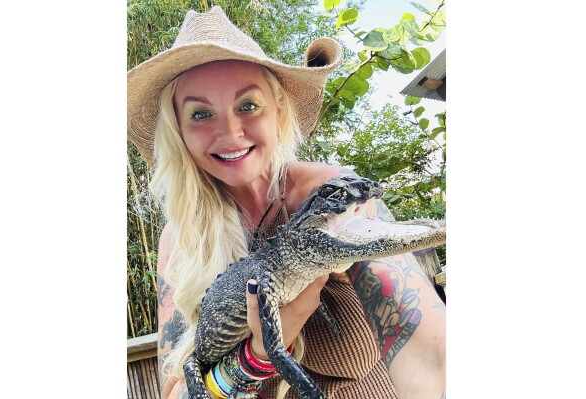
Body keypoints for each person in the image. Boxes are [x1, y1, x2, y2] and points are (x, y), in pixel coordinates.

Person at [127, 6, 445, 399]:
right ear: (179, 131)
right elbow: (176, 390)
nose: (229, 132)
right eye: (201, 113)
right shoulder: (180, 238)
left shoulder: (334, 195)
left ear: (278, 109)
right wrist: (256, 354)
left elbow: (433, 356)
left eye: (247, 105)